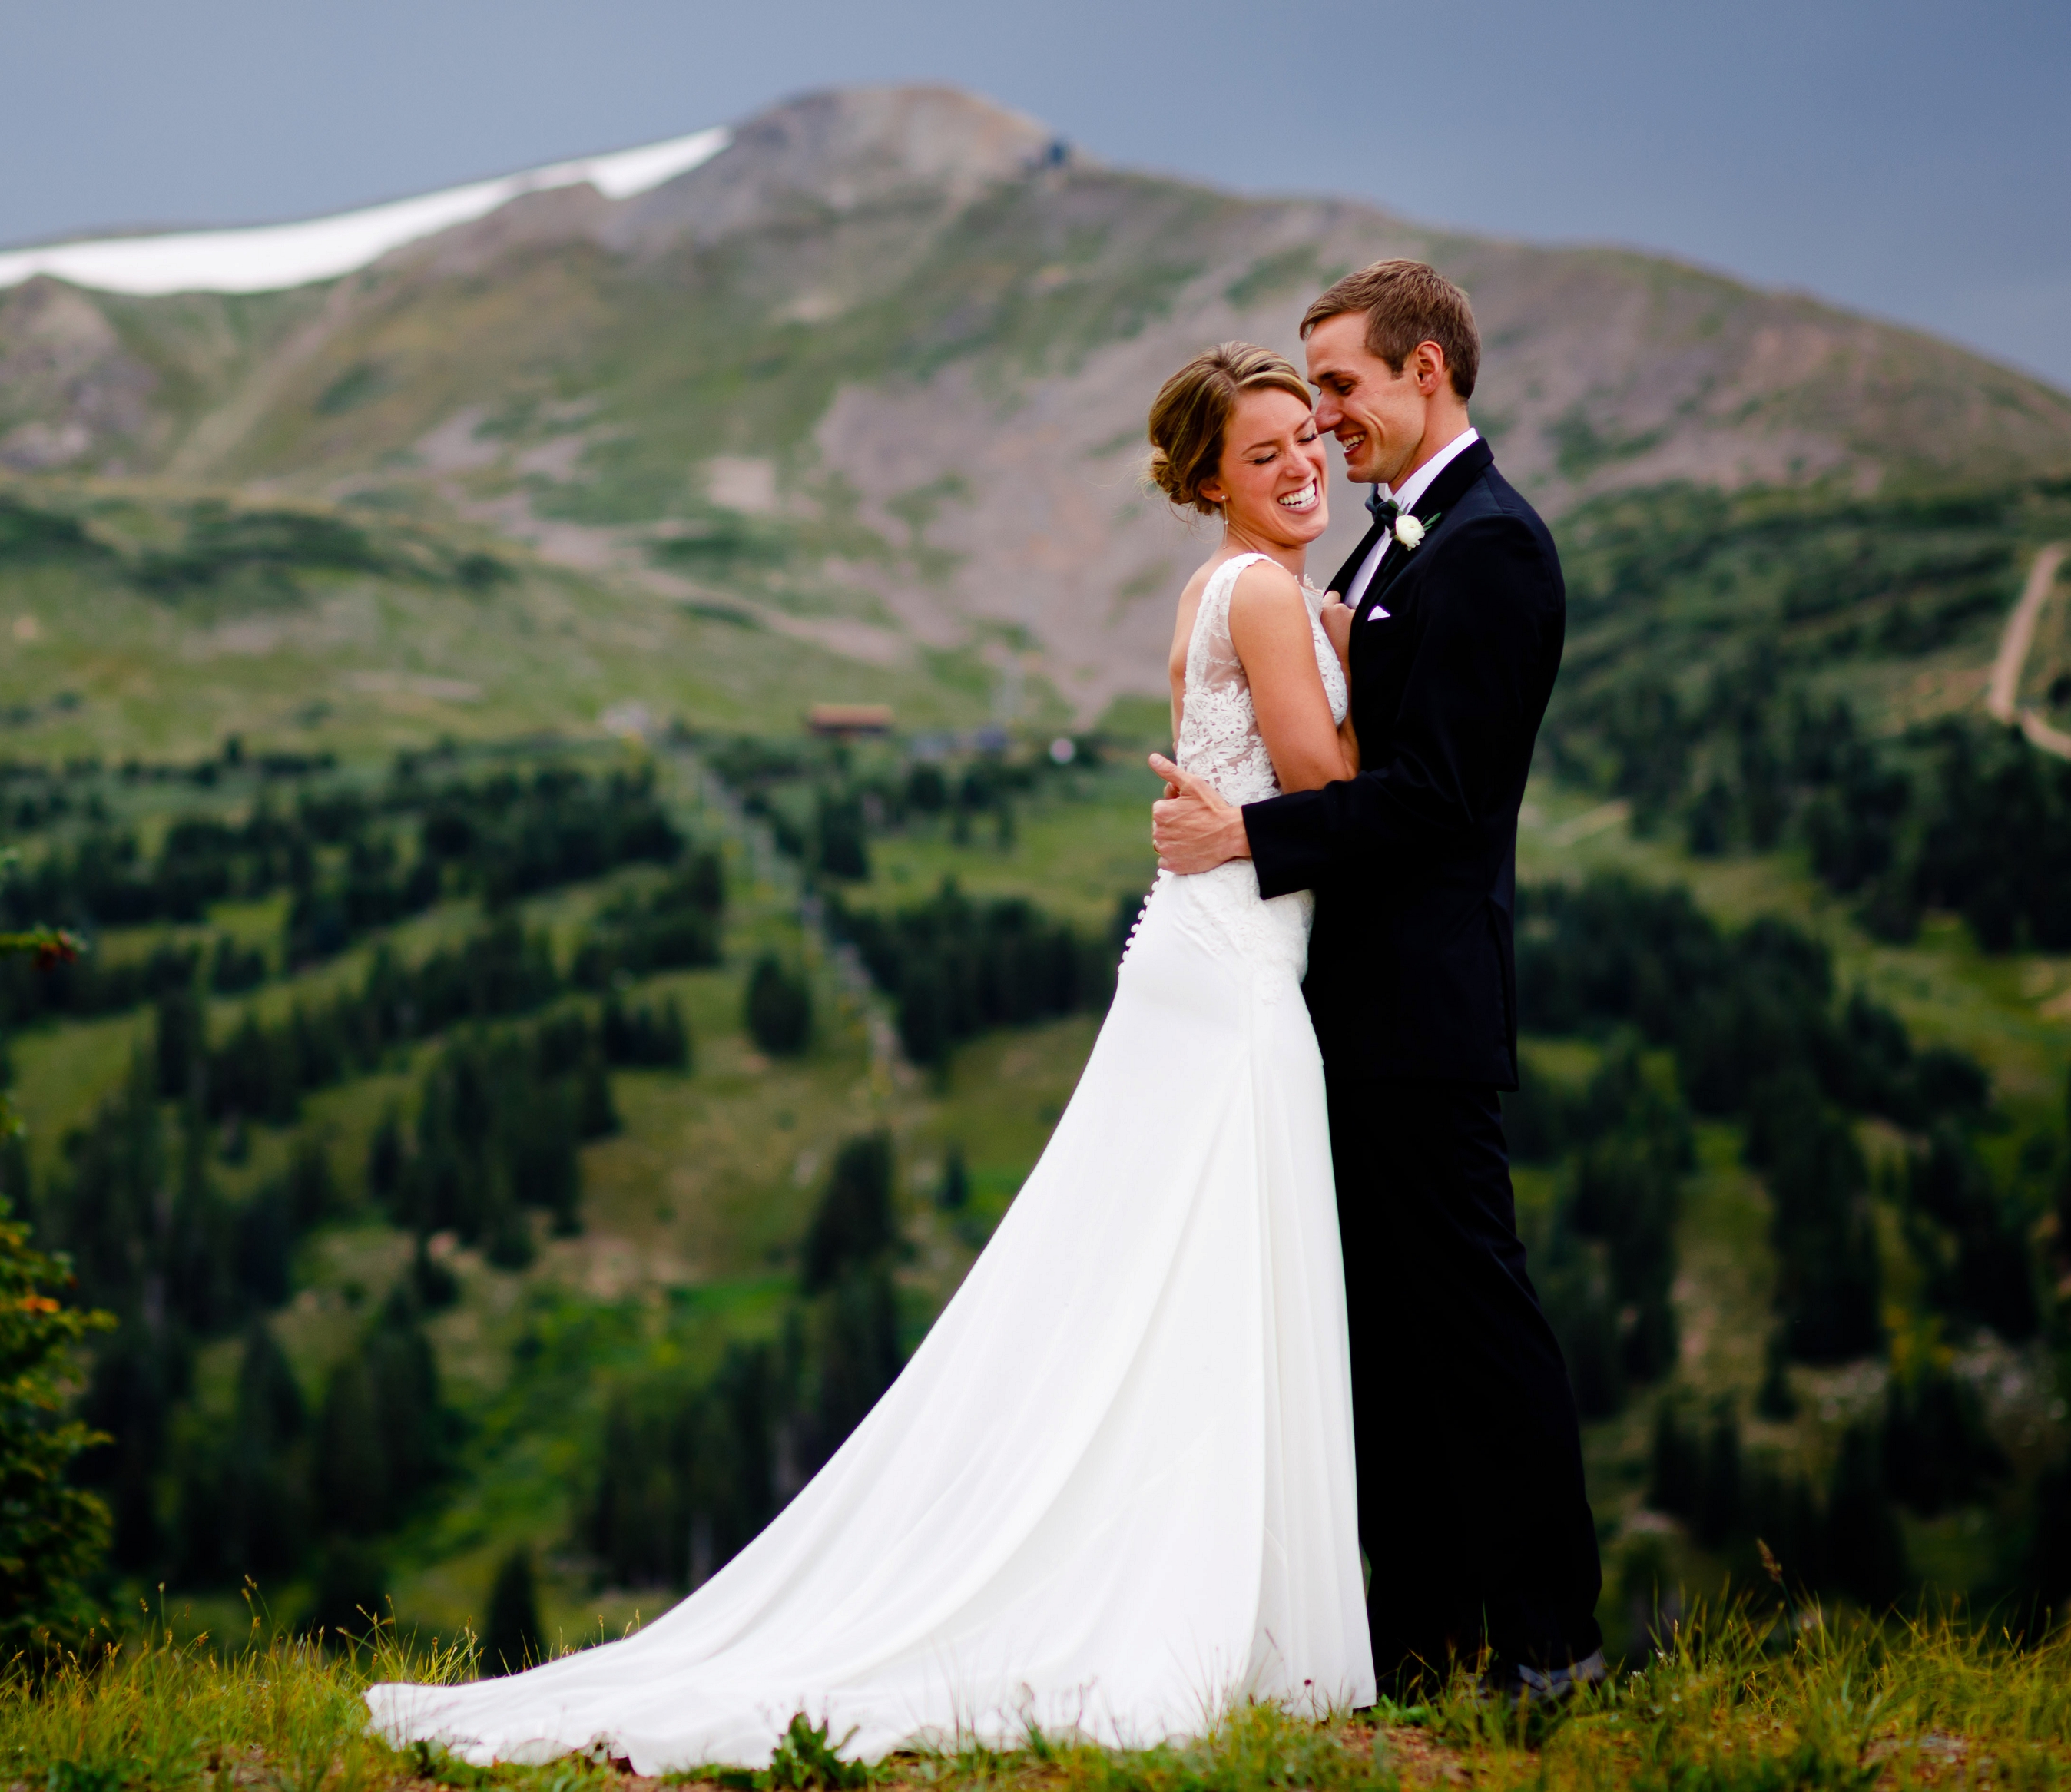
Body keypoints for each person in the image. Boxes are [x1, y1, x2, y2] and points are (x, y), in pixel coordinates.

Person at [365, 342, 1372, 1769]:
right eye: (1262, 449)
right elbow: (1327, 780)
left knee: (1156, 1280)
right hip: (1233, 969)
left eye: (1305, 441)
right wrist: (1367, 666)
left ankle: (1184, 1584)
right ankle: (1201, 1611)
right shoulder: (1269, 591)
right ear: (1210, 476)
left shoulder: (1213, 591)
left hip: (1202, 951)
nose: (1298, 464)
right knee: (1205, 1278)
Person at [1151, 260, 1604, 1698]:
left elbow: (1439, 798)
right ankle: (1423, 1644)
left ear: (1427, 373)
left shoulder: (1493, 547)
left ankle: (1551, 1645)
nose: (1328, 419)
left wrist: (1249, 831)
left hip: (1422, 1008)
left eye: (1340, 386)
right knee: (1389, 1346)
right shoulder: (1392, 547)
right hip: (1339, 1003)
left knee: (1471, 1322)